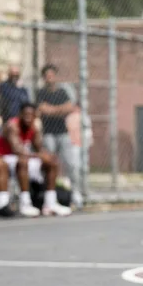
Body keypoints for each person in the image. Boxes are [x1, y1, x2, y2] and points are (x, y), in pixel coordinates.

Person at [0, 102, 72, 217]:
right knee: (23, 161)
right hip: (4, 158)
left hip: (23, 158)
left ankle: (50, 204)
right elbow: (17, 150)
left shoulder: (33, 127)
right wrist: (39, 156)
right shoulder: (12, 126)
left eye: (31, 115)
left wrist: (38, 130)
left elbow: (39, 148)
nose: (28, 118)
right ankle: (25, 203)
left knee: (52, 161)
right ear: (20, 114)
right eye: (26, 115)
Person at [36, 65, 80, 201]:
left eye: (52, 75)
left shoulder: (62, 92)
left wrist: (52, 110)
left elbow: (69, 108)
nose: (50, 78)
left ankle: (75, 192)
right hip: (48, 133)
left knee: (71, 163)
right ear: (44, 78)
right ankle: (51, 191)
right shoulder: (41, 93)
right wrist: (59, 110)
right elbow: (43, 109)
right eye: (47, 76)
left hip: (63, 132)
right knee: (50, 162)